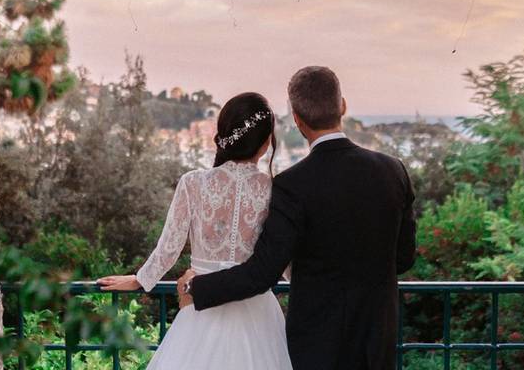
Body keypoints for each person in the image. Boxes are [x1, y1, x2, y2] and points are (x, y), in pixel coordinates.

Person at [179, 66, 417, 370]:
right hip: (376, 341)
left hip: (317, 346)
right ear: (342, 105)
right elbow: (404, 257)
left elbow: (262, 273)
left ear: (298, 120)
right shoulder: (393, 170)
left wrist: (196, 287)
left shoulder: (292, 184)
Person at [97, 92, 293, 370]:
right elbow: (283, 262)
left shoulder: (193, 183)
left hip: (200, 307)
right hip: (258, 314)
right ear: (265, 143)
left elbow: (169, 248)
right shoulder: (275, 190)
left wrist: (140, 279)